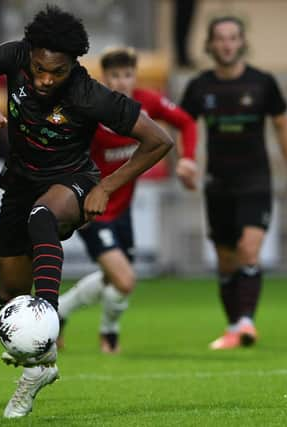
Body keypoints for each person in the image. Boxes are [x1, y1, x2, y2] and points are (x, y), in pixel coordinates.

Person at [0, 5, 173, 419]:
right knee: (8, 294)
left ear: (74, 64)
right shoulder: (14, 55)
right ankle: (42, 367)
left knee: (42, 218)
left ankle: (45, 330)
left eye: (56, 72)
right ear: (30, 54)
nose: (45, 79)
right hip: (20, 183)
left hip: (73, 181)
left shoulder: (89, 94)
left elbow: (159, 139)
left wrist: (106, 185)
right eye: (40, 69)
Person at [57, 47, 198, 354]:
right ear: (104, 78)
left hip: (123, 206)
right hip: (93, 206)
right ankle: (110, 335)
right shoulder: (92, 107)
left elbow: (186, 121)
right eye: (115, 76)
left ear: (135, 76)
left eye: (127, 75)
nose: (122, 82)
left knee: (114, 277)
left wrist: (188, 159)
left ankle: (59, 313)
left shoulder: (145, 103)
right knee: (124, 279)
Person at [180, 16, 287, 350]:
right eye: (220, 39)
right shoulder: (199, 86)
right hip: (217, 183)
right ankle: (234, 326)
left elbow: (282, 127)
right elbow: (185, 125)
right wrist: (186, 160)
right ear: (209, 45)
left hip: (255, 180)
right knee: (225, 260)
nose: (226, 44)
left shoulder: (262, 83)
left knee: (249, 249)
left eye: (233, 38)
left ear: (242, 42)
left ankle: (247, 323)